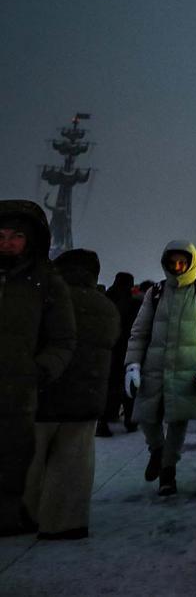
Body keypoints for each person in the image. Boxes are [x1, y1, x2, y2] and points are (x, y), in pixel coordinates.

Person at [25, 249, 119, 539]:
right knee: (73, 464)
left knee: (29, 461)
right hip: (85, 398)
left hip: (41, 393)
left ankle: (24, 516)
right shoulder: (106, 306)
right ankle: (65, 523)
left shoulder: (43, 299)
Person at [0, 200, 75, 537]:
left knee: (14, 455)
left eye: (16, 236)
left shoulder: (45, 282)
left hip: (17, 388)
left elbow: (63, 338)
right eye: (0, 235)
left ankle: (9, 514)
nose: (7, 243)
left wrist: (39, 370)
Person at [123, 241, 196, 496]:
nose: (177, 267)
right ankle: (156, 449)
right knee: (146, 416)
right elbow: (139, 332)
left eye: (182, 262)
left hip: (187, 369)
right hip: (154, 367)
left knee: (178, 423)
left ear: (191, 262)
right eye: (173, 262)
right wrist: (132, 364)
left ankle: (168, 470)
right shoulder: (156, 293)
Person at [100, 271, 138, 437]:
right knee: (128, 387)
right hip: (127, 349)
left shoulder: (105, 299)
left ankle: (105, 419)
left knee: (108, 387)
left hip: (108, 349)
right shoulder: (133, 303)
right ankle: (130, 420)